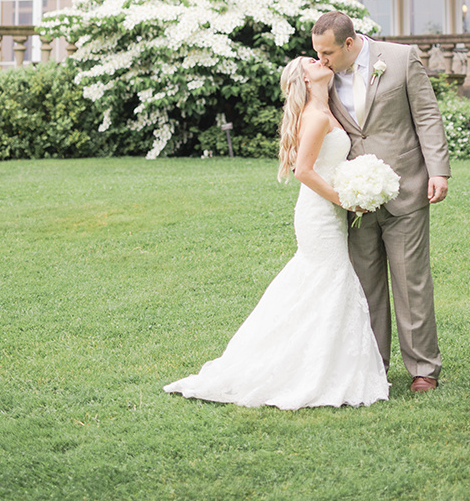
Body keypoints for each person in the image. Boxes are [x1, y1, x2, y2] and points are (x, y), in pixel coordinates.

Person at [163, 56, 389, 409]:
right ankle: (302, 368)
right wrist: (346, 200)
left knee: (321, 283)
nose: (319, 60)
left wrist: (355, 184)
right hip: (319, 213)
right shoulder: (315, 117)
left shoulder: (327, 110)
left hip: (328, 210)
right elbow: (303, 170)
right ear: (305, 77)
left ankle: (324, 363)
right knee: (328, 280)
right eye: (311, 61)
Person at [311, 11, 450, 393]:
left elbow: (427, 116)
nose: (321, 60)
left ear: (350, 44)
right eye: (317, 52)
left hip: (406, 185)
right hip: (354, 196)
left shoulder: (402, 59)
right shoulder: (321, 74)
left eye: (328, 53)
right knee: (365, 283)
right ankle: (374, 366)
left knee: (411, 281)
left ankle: (423, 368)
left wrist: (438, 170)